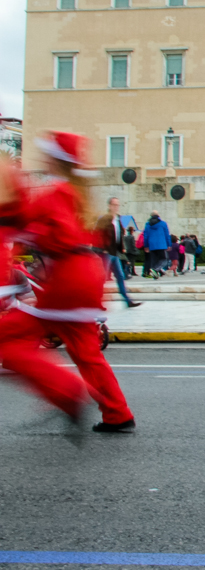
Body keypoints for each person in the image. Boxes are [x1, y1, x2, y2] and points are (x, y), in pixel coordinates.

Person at [0, 133, 136, 434]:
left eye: (47, 155)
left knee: (6, 338)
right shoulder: (76, 193)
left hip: (68, 278)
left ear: (56, 159)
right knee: (87, 353)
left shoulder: (54, 193)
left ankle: (65, 390)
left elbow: (18, 219)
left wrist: (11, 182)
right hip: (86, 276)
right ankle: (118, 413)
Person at [93, 197, 140, 308]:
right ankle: (97, 301)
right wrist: (102, 248)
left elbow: (119, 235)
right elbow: (97, 233)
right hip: (106, 252)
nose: (116, 207)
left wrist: (121, 248)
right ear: (109, 206)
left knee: (120, 276)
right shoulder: (104, 219)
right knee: (103, 278)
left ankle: (127, 300)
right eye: (114, 205)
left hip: (115, 253)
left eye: (117, 205)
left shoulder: (118, 219)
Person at [142, 211, 170, 277]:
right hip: (161, 244)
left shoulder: (148, 224)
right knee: (164, 259)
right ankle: (156, 269)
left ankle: (155, 274)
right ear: (158, 216)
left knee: (154, 260)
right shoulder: (163, 223)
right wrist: (169, 244)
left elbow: (146, 235)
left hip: (152, 244)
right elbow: (167, 235)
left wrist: (146, 245)